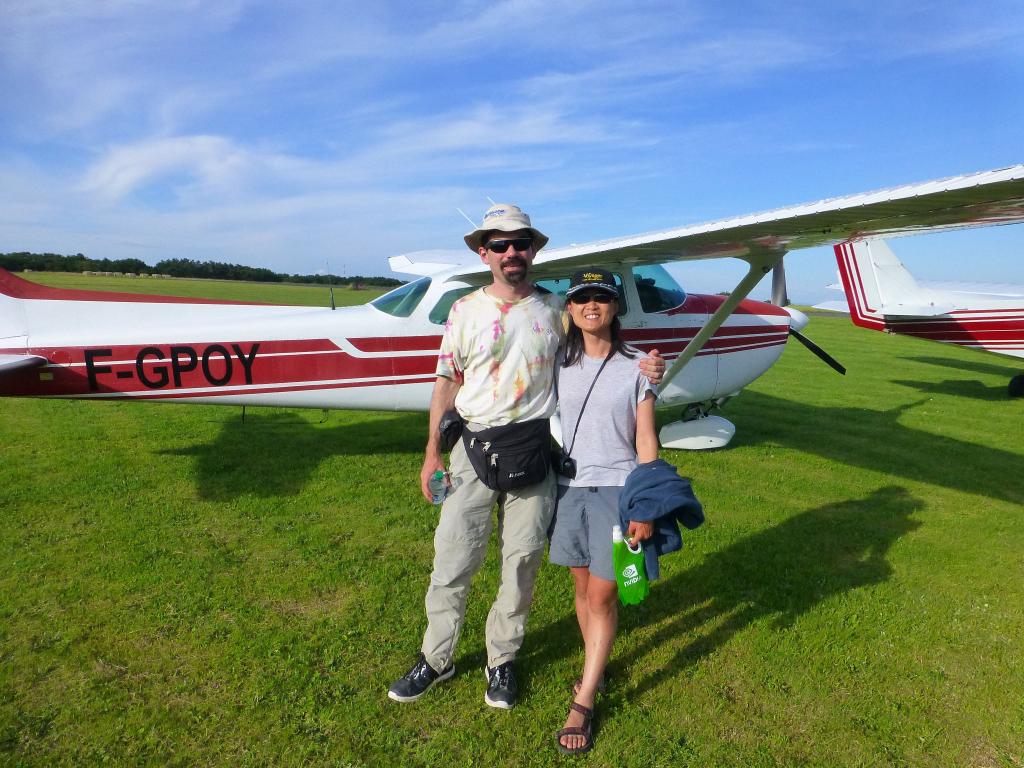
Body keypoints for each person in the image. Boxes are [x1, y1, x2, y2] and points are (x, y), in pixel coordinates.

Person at [388, 205, 663, 710]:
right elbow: (446, 381)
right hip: (473, 449)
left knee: (521, 566)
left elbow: (600, 338)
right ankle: (436, 658)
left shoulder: (556, 310)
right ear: (483, 252)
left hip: (534, 451)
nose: (511, 252)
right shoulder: (464, 310)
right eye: (500, 244)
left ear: (534, 250)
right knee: (453, 559)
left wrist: (647, 363)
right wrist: (432, 452)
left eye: (521, 243)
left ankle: (502, 661)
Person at [548, 268, 659, 755]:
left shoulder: (639, 366)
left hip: (618, 490)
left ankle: (586, 699)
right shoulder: (556, 360)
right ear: (569, 309)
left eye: (602, 297)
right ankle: (597, 660)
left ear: (616, 308)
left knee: (603, 597)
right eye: (582, 298)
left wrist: (647, 503)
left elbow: (646, 440)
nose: (592, 305)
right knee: (580, 587)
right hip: (568, 488)